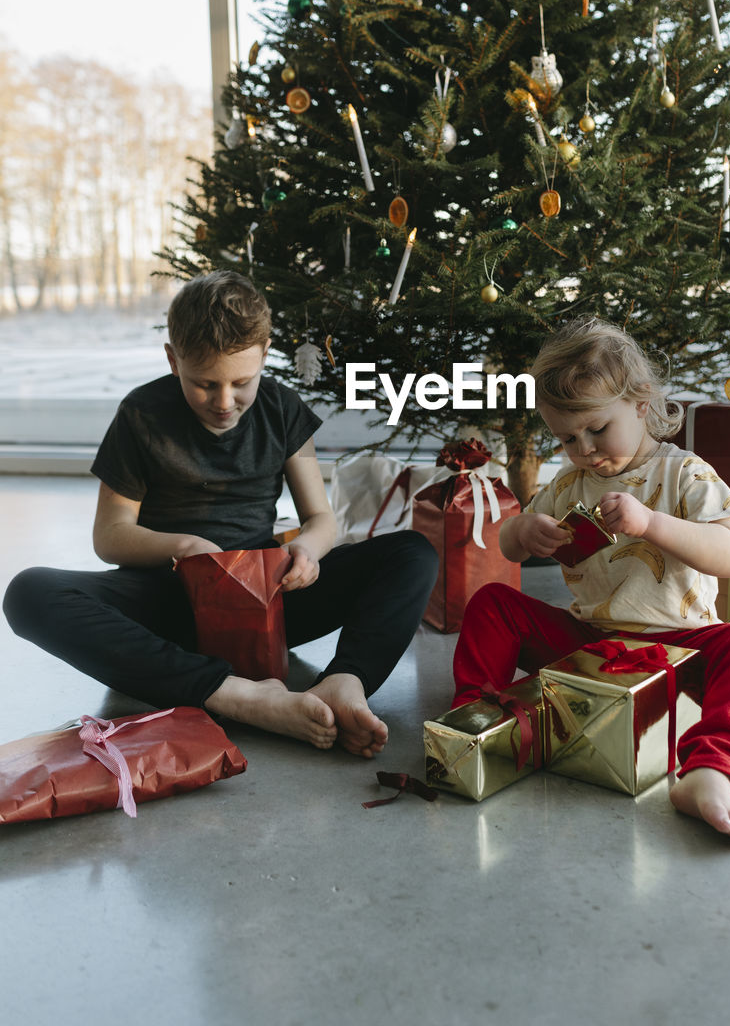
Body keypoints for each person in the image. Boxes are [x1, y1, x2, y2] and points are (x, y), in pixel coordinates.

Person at [3, 271, 438, 759]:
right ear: (173, 359)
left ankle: (342, 682)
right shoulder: (141, 415)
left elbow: (321, 519)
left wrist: (308, 551)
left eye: (242, 382)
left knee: (413, 552)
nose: (225, 402)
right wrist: (183, 547)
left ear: (265, 353)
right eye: (205, 384)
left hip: (266, 597)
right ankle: (236, 696)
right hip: (168, 602)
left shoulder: (281, 408)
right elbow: (110, 535)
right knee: (28, 592)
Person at [451, 317, 730, 845]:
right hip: (591, 647)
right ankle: (479, 721)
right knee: (494, 602)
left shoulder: (685, 472)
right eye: (566, 437)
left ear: (640, 402)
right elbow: (506, 548)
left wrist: (652, 523)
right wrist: (523, 531)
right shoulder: (568, 484)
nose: (584, 448)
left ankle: (710, 769)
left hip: (679, 648)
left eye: (597, 429)